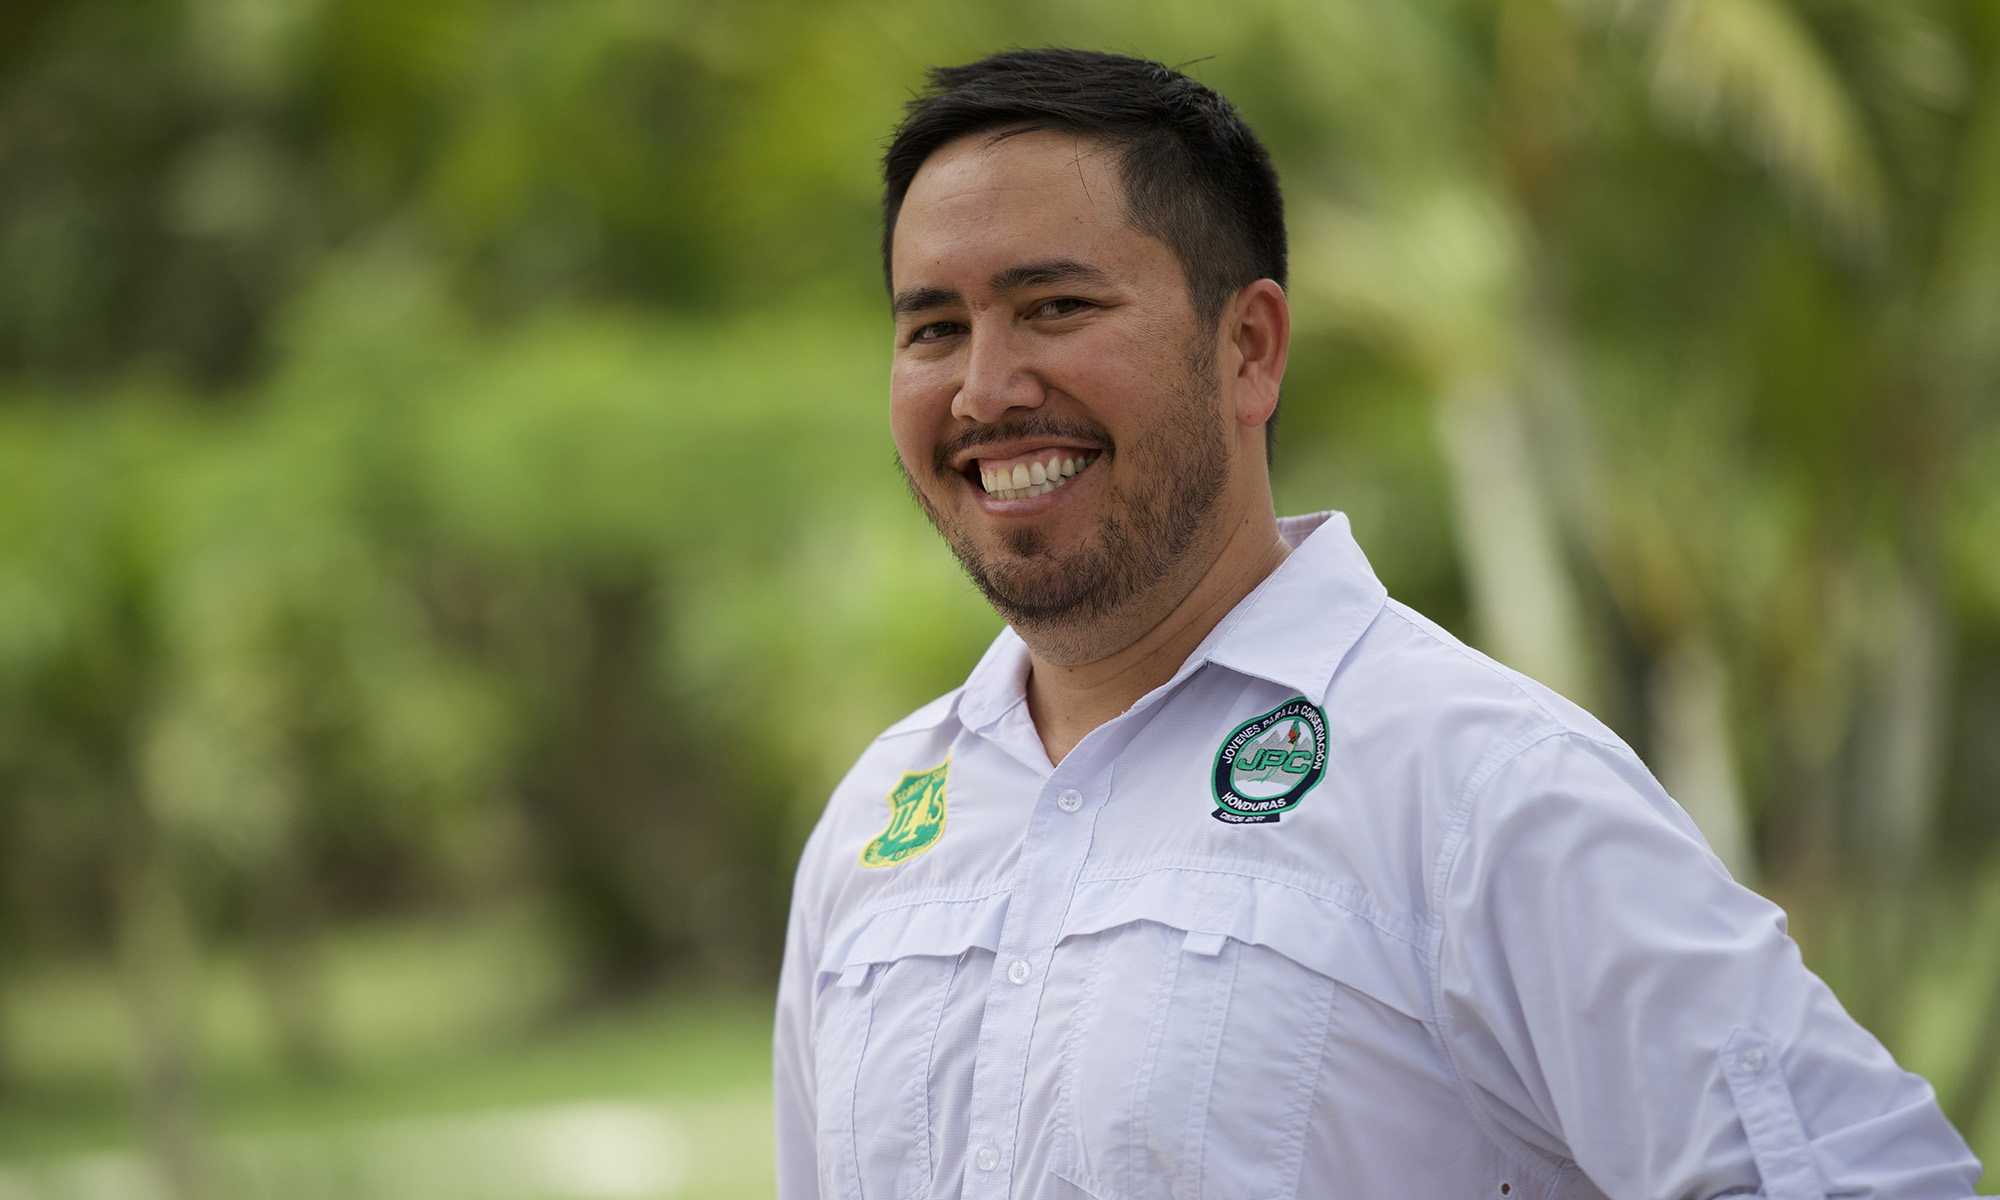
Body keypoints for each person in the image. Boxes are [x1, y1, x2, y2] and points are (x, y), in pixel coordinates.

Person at [772, 47, 1987, 1200]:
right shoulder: (876, 826)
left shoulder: (1482, 787)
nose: (983, 388)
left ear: (1246, 348)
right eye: (933, 327)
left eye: (1052, 307)